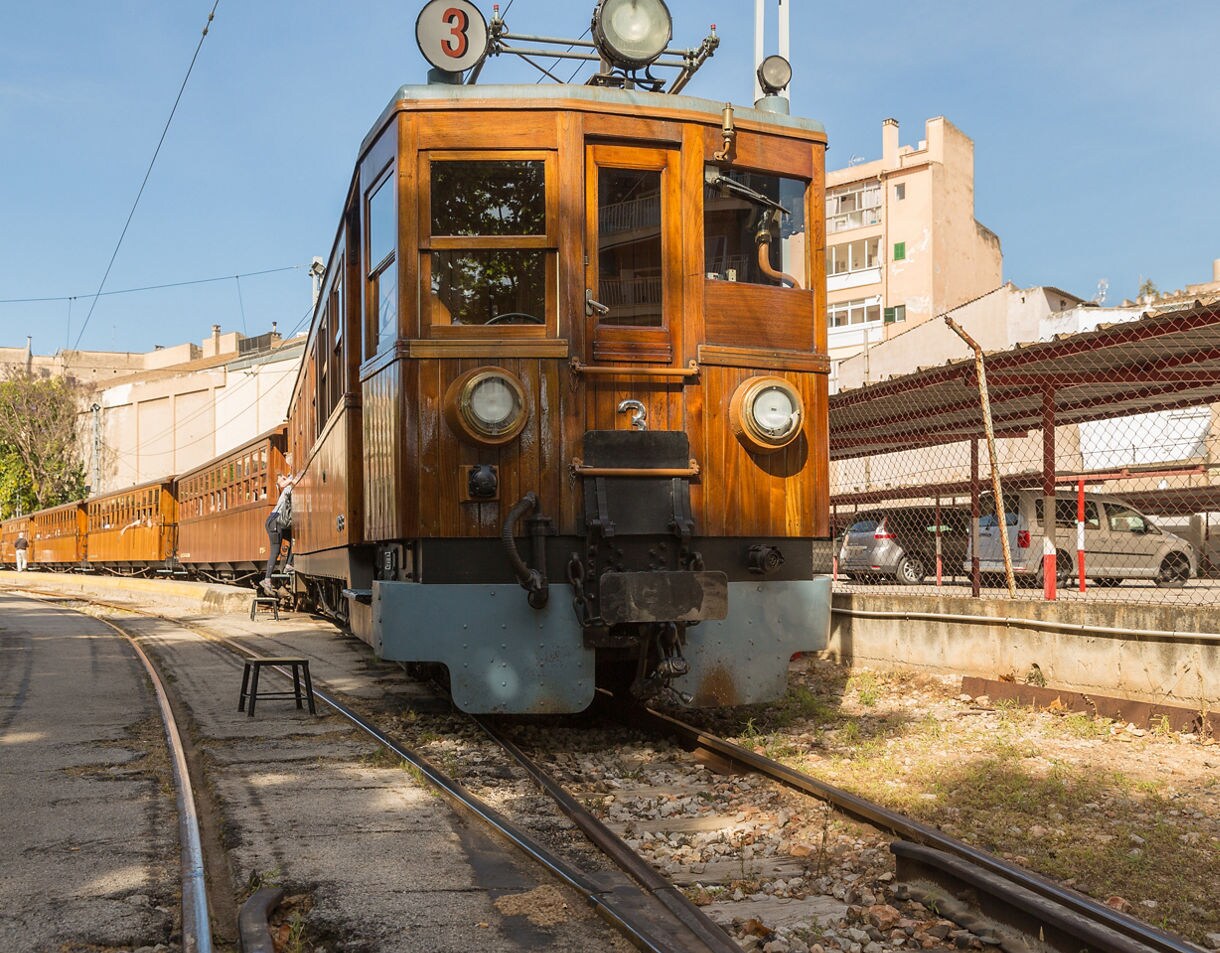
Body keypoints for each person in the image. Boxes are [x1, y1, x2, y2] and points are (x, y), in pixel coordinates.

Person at [262, 473, 296, 593]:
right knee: (275, 552)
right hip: (275, 521)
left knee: (294, 538)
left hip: (278, 522)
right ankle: (267, 580)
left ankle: (288, 566)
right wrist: (290, 479)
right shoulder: (290, 486)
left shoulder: (289, 486)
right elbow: (282, 483)